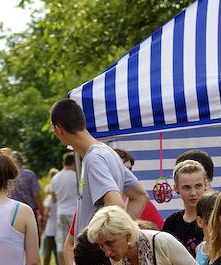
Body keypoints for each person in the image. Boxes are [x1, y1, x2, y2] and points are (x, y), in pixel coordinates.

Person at [49, 99, 148, 238]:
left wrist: (102, 245)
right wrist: (121, 234)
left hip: (96, 258)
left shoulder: (94, 159)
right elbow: (140, 196)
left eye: (53, 129)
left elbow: (115, 204)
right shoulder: (107, 152)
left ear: (58, 129)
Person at [162, 160, 208, 257]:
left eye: (198, 186)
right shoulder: (171, 222)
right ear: (176, 188)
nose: (193, 193)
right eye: (186, 187)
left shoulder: (214, 221)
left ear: (206, 184)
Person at [115, 148, 164, 229]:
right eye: (123, 170)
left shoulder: (143, 202)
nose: (128, 174)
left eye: (129, 170)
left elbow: (161, 231)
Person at [51, 153, 79, 265]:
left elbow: (53, 198)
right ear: (73, 162)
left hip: (61, 211)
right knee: (76, 240)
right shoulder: (76, 176)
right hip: (74, 211)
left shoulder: (55, 177)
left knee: (61, 240)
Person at [10, 151, 45, 225]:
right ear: (22, 161)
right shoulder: (30, 174)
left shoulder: (8, 176)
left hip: (13, 211)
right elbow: (36, 195)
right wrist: (42, 213)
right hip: (30, 210)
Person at [42, 181, 60, 265]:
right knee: (58, 249)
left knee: (48, 250)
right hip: (58, 226)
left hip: (50, 227)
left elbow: (46, 213)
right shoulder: (59, 197)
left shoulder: (49, 199)